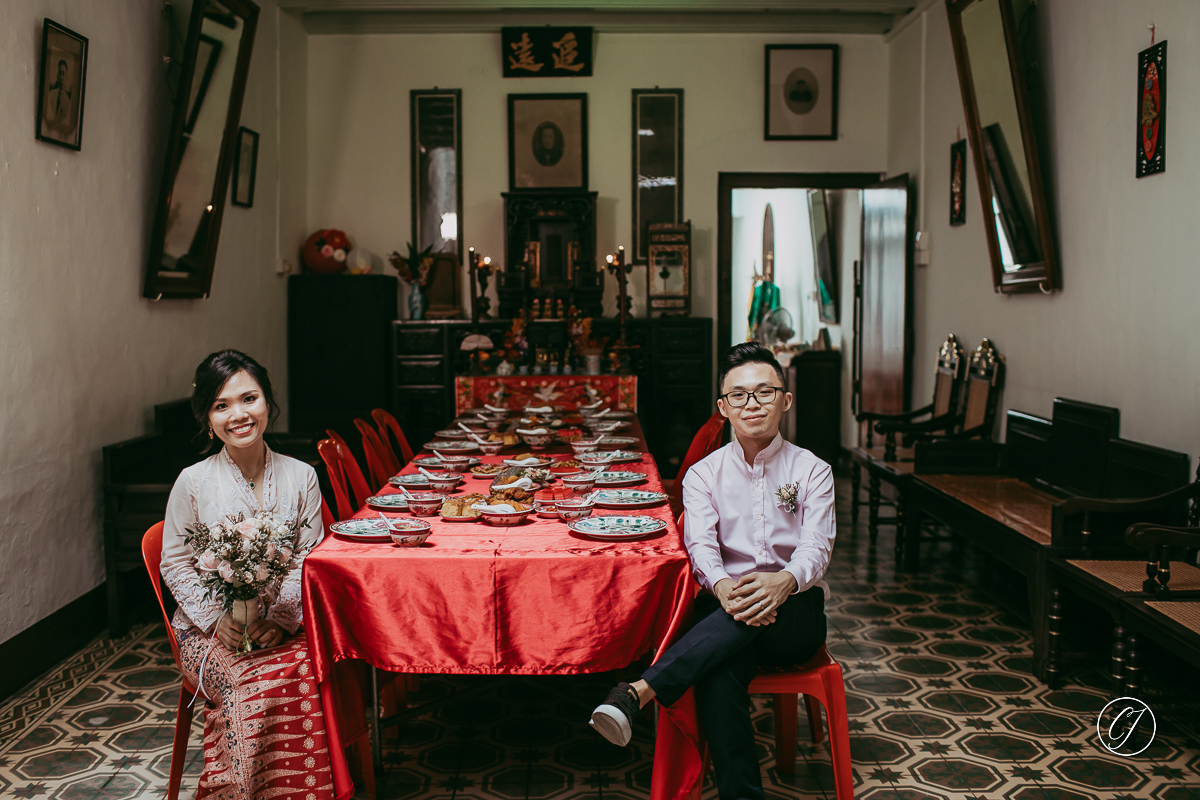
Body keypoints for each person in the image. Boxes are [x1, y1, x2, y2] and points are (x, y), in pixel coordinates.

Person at [589, 342, 835, 800]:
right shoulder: (704, 474)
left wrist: (781, 584)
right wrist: (723, 588)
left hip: (796, 611)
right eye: (739, 395)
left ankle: (639, 691)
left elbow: (816, 548)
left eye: (765, 392)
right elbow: (700, 546)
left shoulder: (812, 470)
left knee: (729, 637)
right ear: (723, 408)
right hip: (728, 607)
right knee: (719, 675)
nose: (752, 404)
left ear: (786, 399)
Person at [161, 349, 334, 799]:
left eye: (249, 398)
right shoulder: (193, 481)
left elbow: (307, 556)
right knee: (246, 680)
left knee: (305, 667)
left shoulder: (302, 476)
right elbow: (175, 564)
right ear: (208, 418)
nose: (238, 415)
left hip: (281, 624)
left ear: (267, 401)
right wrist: (216, 621)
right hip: (207, 634)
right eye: (221, 406)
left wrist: (280, 619)